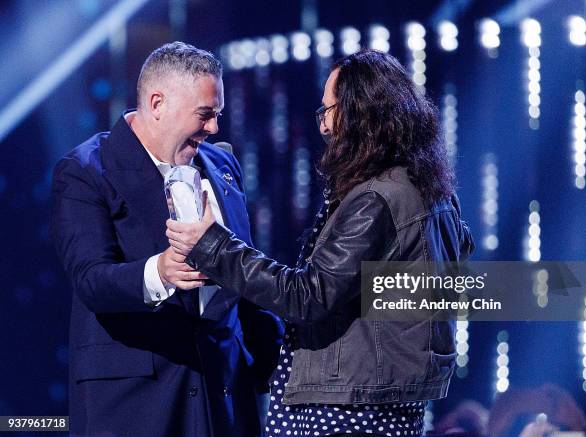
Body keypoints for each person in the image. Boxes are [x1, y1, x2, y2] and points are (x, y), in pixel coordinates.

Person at [166, 49, 475, 437]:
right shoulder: (431, 190)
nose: (325, 126)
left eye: (329, 110)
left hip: (348, 405)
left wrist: (214, 245)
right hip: (386, 399)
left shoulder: (377, 199)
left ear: (361, 114)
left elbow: (307, 296)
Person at [51, 41, 281, 437]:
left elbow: (244, 279)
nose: (214, 128)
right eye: (205, 115)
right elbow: (90, 279)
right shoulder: (86, 170)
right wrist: (160, 271)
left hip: (223, 396)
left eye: (218, 114)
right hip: (134, 404)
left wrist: (283, 356)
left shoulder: (223, 164)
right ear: (158, 104)